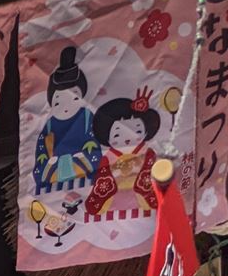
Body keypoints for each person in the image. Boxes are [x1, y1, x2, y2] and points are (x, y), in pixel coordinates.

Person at [83, 89, 160, 218]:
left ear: (146, 132)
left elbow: (151, 167)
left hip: (141, 189)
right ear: (107, 136)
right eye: (117, 134)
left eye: (137, 131)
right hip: (115, 190)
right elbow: (104, 175)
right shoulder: (108, 157)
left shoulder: (146, 152)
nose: (127, 139)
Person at [33, 46, 100, 193]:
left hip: (81, 162)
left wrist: (84, 154)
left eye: (74, 98)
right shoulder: (50, 124)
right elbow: (42, 148)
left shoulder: (87, 116)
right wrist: (48, 160)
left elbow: (92, 138)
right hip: (55, 167)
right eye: (58, 101)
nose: (66, 106)